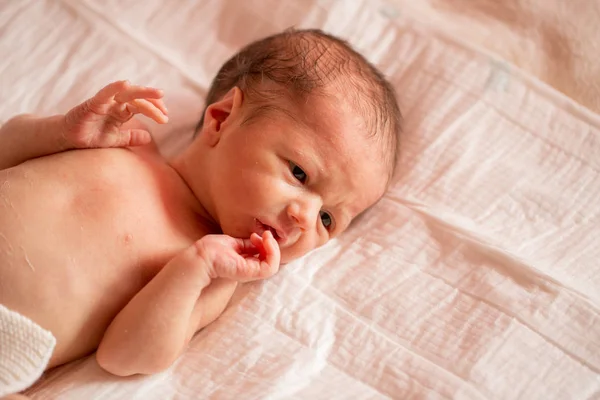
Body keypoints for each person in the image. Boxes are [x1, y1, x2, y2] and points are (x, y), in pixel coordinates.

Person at [0, 28, 401, 396]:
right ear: (223, 119)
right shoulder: (125, 144)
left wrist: (196, 267)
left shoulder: (210, 272)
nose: (304, 217)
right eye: (300, 173)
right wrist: (58, 131)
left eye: (327, 219)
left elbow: (124, 357)